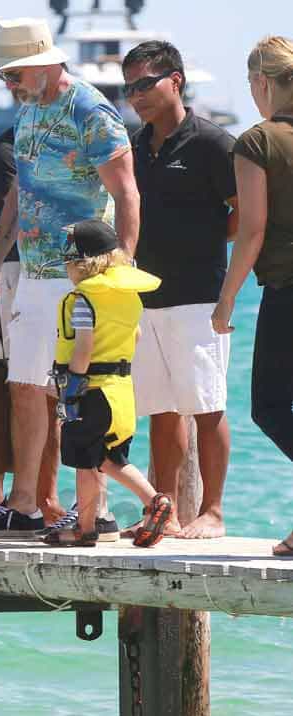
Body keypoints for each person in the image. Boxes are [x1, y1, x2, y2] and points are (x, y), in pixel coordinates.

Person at [0, 17, 139, 535]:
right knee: (25, 384)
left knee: (80, 391)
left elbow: (126, 191)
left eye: (13, 74)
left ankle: (98, 510)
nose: (8, 85)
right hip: (38, 268)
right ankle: (24, 504)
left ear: (43, 63)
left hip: (84, 273)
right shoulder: (27, 114)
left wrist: (124, 267)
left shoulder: (91, 110)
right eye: (4, 77)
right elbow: (20, 194)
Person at [121, 40, 238, 540]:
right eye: (130, 87)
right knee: (160, 409)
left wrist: (208, 242)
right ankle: (162, 510)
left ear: (177, 80)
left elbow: (245, 213)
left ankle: (213, 510)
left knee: (206, 406)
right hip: (143, 296)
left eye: (146, 83)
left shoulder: (213, 143)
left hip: (197, 294)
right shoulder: (134, 144)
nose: (137, 95)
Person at [212, 36, 293, 556]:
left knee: (268, 406)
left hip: (287, 288)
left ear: (262, 83)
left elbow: (253, 230)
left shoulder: (259, 141)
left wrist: (225, 302)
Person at [44, 220, 173, 547]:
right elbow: (137, 335)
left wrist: (70, 389)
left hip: (92, 391)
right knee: (101, 460)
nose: (69, 272)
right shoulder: (126, 297)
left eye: (69, 264)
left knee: (91, 460)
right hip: (120, 392)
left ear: (82, 264)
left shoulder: (84, 300)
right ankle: (91, 527)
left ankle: (147, 503)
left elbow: (83, 347)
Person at [0, 127, 66, 522]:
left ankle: (23, 501)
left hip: (23, 269)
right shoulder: (63, 140)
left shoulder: (6, 149)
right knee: (43, 390)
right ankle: (41, 500)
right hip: (53, 270)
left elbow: (18, 213)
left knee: (23, 386)